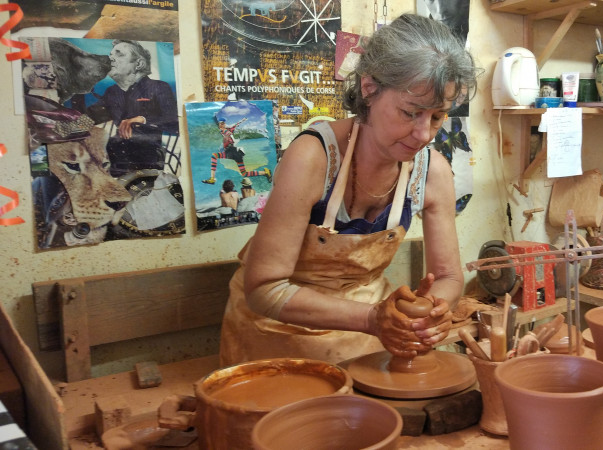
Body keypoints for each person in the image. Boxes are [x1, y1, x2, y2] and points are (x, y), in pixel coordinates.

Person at [219, 13, 478, 366]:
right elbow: (265, 289)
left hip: (366, 334)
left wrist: (432, 312)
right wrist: (372, 318)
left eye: (437, 117)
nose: (424, 134)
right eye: (410, 113)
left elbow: (447, 276)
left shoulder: (432, 172)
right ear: (369, 88)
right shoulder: (312, 157)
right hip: (275, 332)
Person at [91, 40, 179, 175]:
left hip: (148, 162)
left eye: (119, 54)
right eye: (111, 54)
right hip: (116, 163)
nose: (110, 58)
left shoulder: (159, 87)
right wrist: (60, 129)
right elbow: (91, 116)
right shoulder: (111, 92)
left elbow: (173, 122)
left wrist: (141, 119)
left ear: (138, 64)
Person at [202, 116, 273, 185]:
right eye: (220, 124)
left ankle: (212, 179)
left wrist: (228, 134)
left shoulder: (225, 130)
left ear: (224, 124)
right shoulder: (226, 129)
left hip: (232, 152)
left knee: (214, 156)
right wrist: (241, 121)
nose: (220, 125)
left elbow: (227, 132)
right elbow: (234, 126)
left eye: (222, 123)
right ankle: (265, 172)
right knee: (244, 173)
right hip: (234, 153)